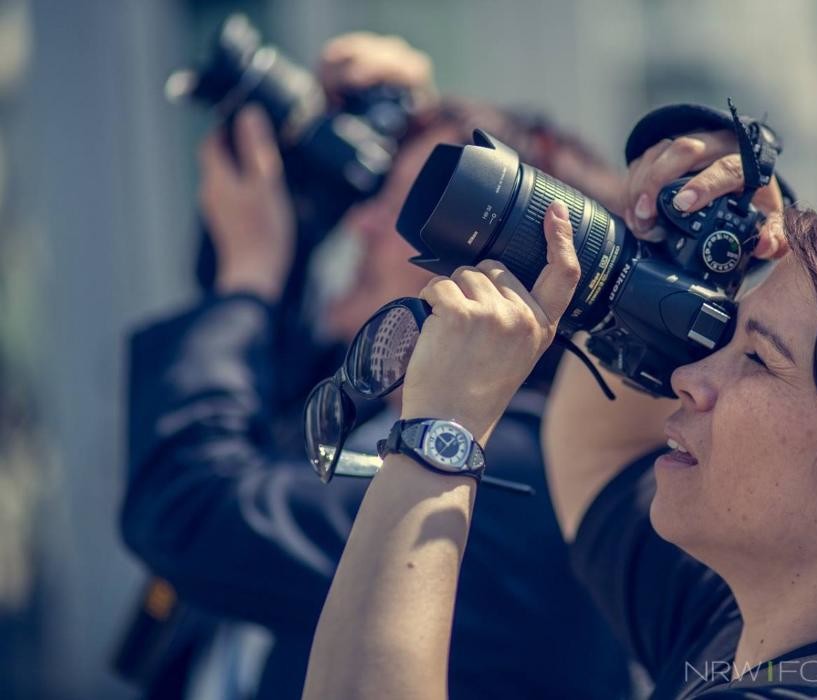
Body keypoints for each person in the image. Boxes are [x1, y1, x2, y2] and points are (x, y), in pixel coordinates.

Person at [300, 111, 817, 699]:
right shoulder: (759, 640)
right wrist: (680, 251)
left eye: (756, 357)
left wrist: (440, 433)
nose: (692, 376)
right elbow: (601, 456)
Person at [120, 33, 629, 700]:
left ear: (500, 265)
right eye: (380, 192)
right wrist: (385, 120)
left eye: (406, 207)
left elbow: (193, 511)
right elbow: (253, 376)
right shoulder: (378, 404)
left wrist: (248, 278)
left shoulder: (507, 473)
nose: (360, 224)